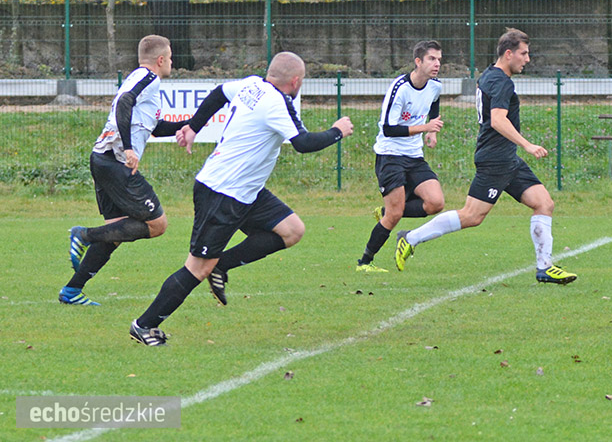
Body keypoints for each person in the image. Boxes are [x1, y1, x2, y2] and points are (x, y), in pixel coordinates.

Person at [130, 51, 353, 346]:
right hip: (222, 192)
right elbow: (302, 143)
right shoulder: (276, 102)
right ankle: (144, 325)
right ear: (296, 81)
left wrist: (194, 126)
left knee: (291, 230)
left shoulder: (251, 85)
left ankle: (222, 264)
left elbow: (218, 93)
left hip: (245, 190)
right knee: (197, 267)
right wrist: (337, 131)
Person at [394, 28, 577, 285]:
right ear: (509, 53)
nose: (527, 59)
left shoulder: (489, 75)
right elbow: (498, 121)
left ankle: (544, 267)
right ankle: (410, 238)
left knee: (543, 203)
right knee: (471, 216)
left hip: (506, 158)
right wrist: (527, 144)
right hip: (496, 160)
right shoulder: (501, 81)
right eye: (524, 54)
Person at [59, 34, 189, 306]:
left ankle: (72, 291)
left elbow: (154, 126)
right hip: (116, 161)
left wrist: (192, 124)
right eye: (171, 58)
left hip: (103, 159)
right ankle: (82, 234)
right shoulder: (148, 79)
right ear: (161, 59)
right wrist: (129, 148)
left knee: (116, 232)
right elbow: (123, 103)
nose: (172, 63)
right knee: (157, 224)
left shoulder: (141, 79)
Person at [355, 40, 445, 273]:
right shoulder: (400, 88)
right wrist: (424, 128)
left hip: (414, 156)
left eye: (439, 59)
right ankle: (364, 262)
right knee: (395, 214)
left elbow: (434, 105)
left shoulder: (435, 86)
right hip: (390, 155)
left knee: (436, 203)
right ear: (418, 61)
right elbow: (388, 128)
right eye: (431, 59)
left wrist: (432, 132)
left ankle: (387, 211)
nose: (437, 64)